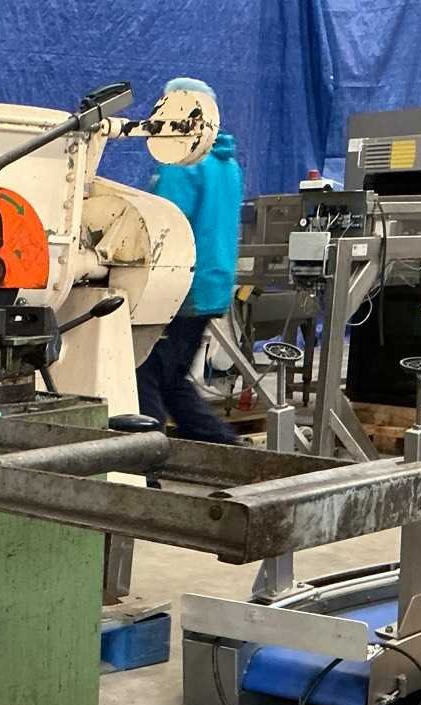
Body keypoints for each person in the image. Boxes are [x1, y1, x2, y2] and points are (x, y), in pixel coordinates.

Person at [135, 78, 243, 444]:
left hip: (182, 288)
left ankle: (144, 457)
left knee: (143, 373)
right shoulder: (227, 162)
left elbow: (167, 223)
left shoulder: (182, 161)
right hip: (212, 286)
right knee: (172, 379)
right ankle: (226, 447)